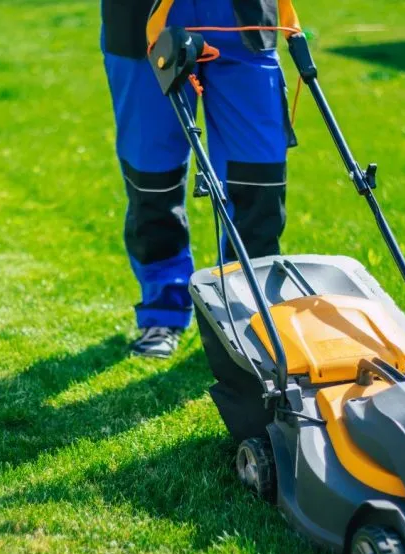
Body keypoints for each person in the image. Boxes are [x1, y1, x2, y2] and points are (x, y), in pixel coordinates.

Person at [101, 0, 300, 358]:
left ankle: (249, 315)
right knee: (152, 176)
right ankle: (163, 311)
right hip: (142, 19)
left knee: (258, 176)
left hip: (243, 17)